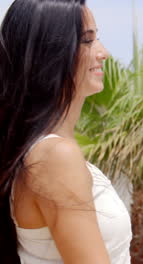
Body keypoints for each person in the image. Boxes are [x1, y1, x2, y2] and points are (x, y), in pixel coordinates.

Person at [0, 0, 132, 263]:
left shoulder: (41, 150)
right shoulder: (55, 156)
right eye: (87, 40)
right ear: (49, 52)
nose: (103, 52)